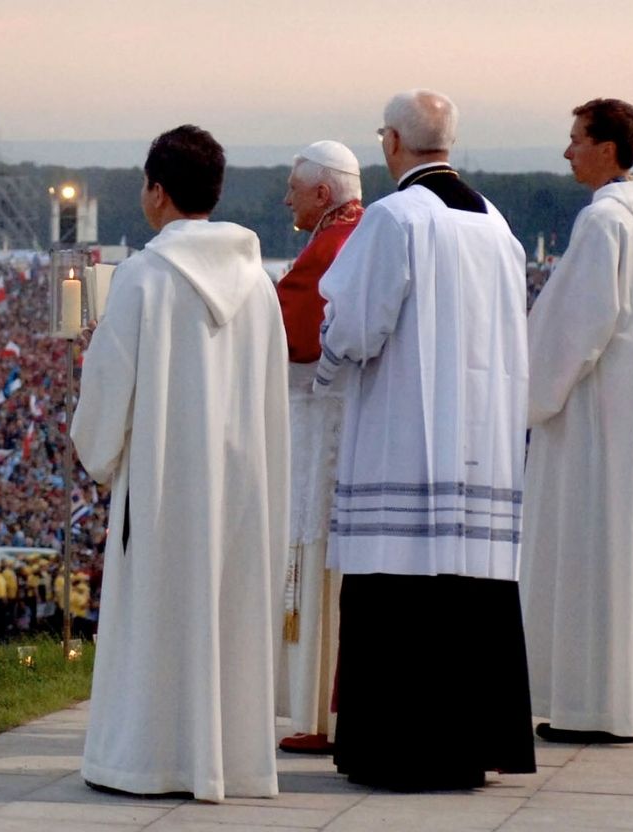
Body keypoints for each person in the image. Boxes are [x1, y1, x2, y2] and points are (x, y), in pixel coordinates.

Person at [313, 89, 535, 790]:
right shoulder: (496, 223)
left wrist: (324, 359)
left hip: (406, 435)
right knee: (467, 595)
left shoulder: (395, 217)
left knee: (401, 595)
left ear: (391, 144)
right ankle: (466, 745)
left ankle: (398, 749)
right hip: (482, 440)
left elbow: (354, 327)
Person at [73, 125, 289, 801]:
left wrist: (98, 453)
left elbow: (109, 394)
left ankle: (148, 760)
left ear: (157, 192)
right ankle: (229, 760)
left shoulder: (143, 277)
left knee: (158, 619)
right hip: (241, 487)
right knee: (227, 614)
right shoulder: (260, 285)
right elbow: (274, 402)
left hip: (166, 485)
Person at [522, 98, 633, 745]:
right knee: (611, 555)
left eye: (576, 138)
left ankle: (585, 706)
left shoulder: (604, 223)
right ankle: (612, 702)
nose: (567, 150)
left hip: (591, 421)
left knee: (582, 552)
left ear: (607, 147)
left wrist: (525, 393)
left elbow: (575, 326)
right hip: (619, 414)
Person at [273, 140, 365, 755]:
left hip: (322, 430)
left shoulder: (329, 250)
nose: (287, 199)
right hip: (353, 425)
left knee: (317, 561)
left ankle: (317, 715)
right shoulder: (364, 235)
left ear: (324, 193)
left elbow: (293, 339)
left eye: (295, 189)